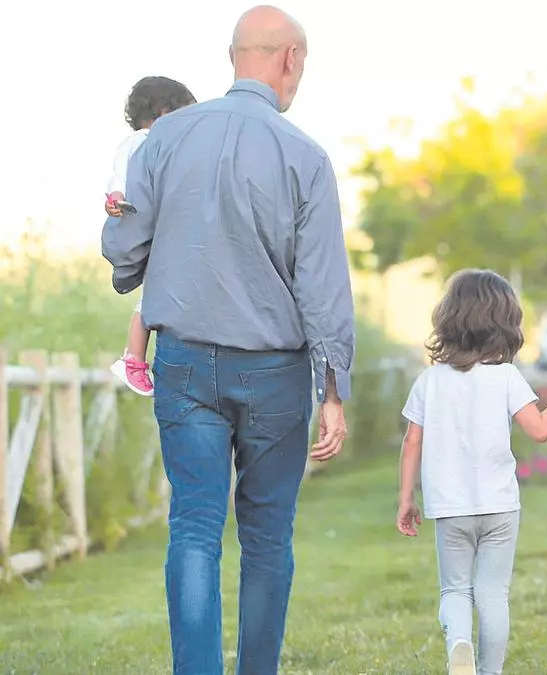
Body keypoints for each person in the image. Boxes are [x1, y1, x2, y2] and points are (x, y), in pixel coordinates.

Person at [100, 6, 354, 674]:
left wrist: (131, 245)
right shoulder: (306, 157)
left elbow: (126, 254)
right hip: (275, 374)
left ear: (233, 55)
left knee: (193, 528)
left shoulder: (164, 138)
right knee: (266, 538)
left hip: (184, 365)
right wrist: (333, 391)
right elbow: (323, 287)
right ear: (290, 59)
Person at [397, 269, 547, 675]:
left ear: (449, 318)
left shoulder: (430, 381)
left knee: (454, 590)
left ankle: (459, 645)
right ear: (505, 323)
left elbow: (412, 442)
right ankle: (490, 671)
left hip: (450, 508)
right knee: (493, 593)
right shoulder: (506, 377)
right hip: (499, 507)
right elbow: (541, 429)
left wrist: (407, 498)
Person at [104, 76, 197, 397]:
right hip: (152, 232)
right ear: (163, 112)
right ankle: (133, 359)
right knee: (150, 301)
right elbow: (119, 174)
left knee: (155, 298)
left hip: (158, 230)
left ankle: (136, 359)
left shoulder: (154, 143)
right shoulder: (142, 141)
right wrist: (116, 197)